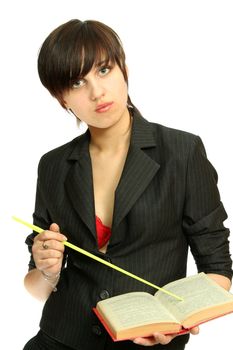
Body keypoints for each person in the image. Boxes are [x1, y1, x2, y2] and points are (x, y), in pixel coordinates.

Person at [23, 19, 232, 350]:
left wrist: (177, 323)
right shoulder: (53, 165)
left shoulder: (182, 152)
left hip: (150, 343)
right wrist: (47, 270)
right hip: (59, 339)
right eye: (77, 82)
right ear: (62, 98)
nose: (97, 92)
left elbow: (218, 269)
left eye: (104, 70)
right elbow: (36, 286)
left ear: (124, 69)